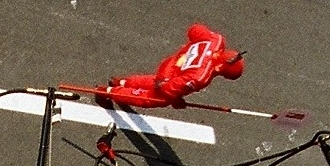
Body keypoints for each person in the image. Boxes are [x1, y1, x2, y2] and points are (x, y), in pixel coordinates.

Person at [93, 24, 244, 110]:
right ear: (222, 71)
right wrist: (176, 100)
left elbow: (194, 29)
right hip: (170, 77)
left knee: (152, 81)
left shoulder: (215, 40)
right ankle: (107, 92)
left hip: (172, 64)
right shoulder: (200, 77)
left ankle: (121, 82)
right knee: (155, 99)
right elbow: (169, 89)